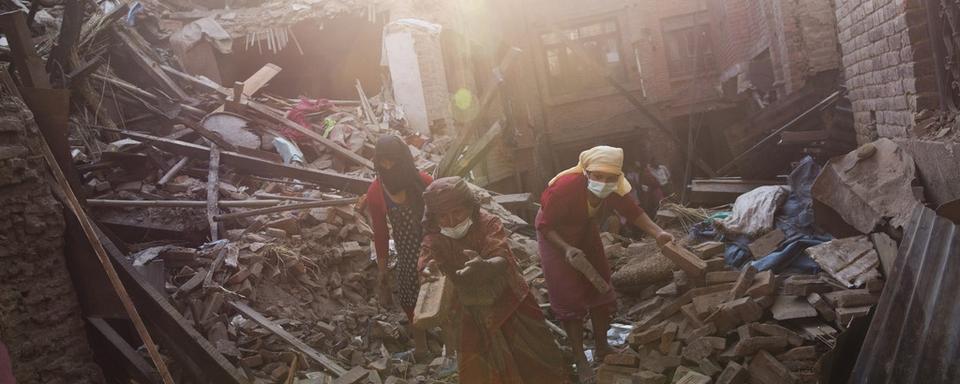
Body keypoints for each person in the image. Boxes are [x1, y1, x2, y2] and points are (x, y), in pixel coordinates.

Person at [536, 146, 674, 381]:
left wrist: (659, 233)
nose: (603, 182)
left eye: (609, 178)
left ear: (617, 178)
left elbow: (633, 212)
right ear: (586, 173)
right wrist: (567, 249)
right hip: (554, 234)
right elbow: (545, 225)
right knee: (567, 293)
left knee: (601, 282)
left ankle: (602, 346)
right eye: (597, 176)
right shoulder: (565, 187)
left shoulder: (613, 189)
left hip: (584, 228)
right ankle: (580, 358)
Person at [418, 177, 570, 384]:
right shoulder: (434, 236)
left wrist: (487, 266)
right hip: (467, 308)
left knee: (536, 358)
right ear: (434, 218)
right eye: (443, 216)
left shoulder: (487, 222)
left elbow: (500, 255)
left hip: (509, 299)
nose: (451, 221)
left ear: (470, 208)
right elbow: (427, 261)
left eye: (457, 213)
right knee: (478, 365)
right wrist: (428, 270)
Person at [358, 135, 433, 358]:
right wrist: (382, 271)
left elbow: (443, 216)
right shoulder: (376, 191)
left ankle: (454, 348)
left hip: (434, 247)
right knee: (409, 296)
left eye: (393, 160)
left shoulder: (423, 182)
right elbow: (381, 234)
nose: (388, 166)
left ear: (403, 159)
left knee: (441, 292)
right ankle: (422, 348)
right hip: (407, 253)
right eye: (383, 161)